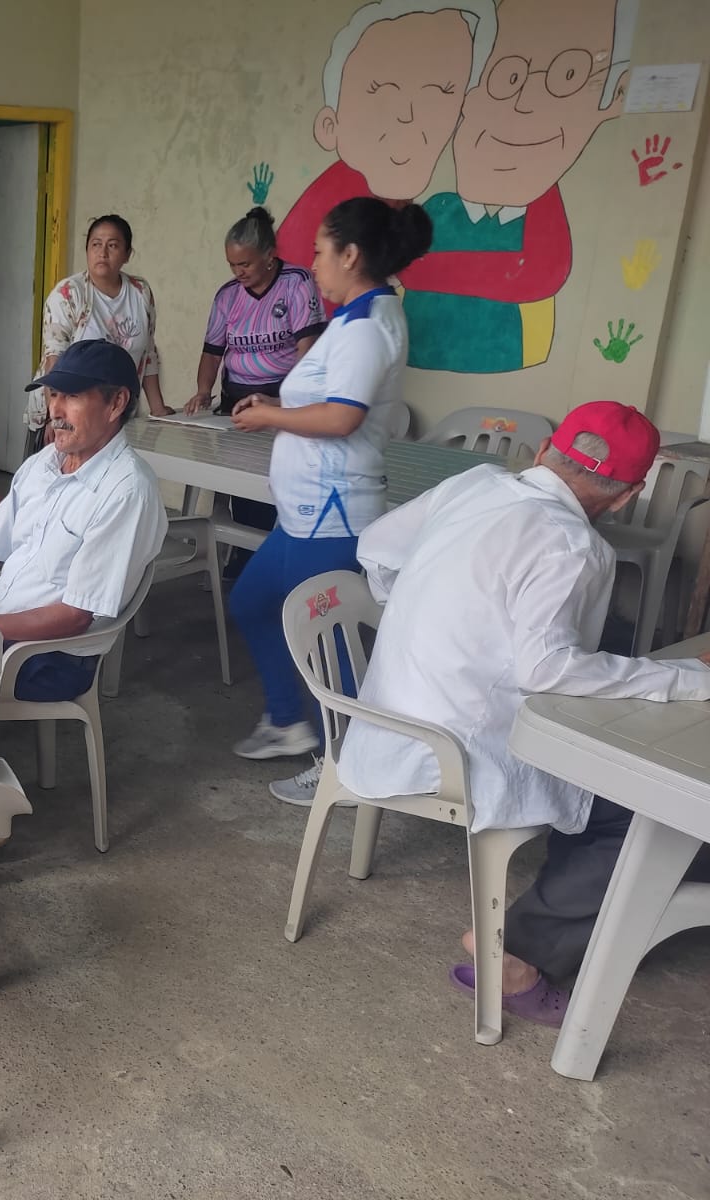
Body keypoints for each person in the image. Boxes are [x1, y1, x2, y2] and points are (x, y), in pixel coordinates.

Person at [336, 402, 710, 1022]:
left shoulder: (474, 483)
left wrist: (438, 618)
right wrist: (684, 680)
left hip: (388, 716)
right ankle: (516, 954)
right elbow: (547, 670)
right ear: (628, 496)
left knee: (619, 733)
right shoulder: (573, 545)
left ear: (543, 453)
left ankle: (590, 908)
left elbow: (375, 546)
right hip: (458, 747)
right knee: (653, 803)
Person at [227, 197, 432, 767]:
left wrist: (271, 416)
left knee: (326, 643)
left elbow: (343, 416)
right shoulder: (354, 316)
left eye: (320, 252)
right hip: (307, 513)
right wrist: (275, 402)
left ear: (350, 255)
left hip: (332, 513)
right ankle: (288, 723)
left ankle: (343, 765)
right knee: (252, 602)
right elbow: (328, 396)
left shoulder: (366, 326)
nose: (313, 264)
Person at [403, 0, 634, 372]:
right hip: (418, 361)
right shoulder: (440, 206)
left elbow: (540, 275)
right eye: (508, 78)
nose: (524, 104)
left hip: (511, 363)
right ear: (467, 96)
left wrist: (430, 269)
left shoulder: (543, 212)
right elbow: (406, 267)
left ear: (612, 101)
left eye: (568, 76)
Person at [0, 340, 167, 703]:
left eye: (72, 396)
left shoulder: (127, 491)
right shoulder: (44, 463)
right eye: (53, 395)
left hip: (50, 656)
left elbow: (74, 616)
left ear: (116, 403)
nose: (55, 410)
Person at [276, 0, 496, 275]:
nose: (408, 115)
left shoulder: (421, 208)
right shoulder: (344, 205)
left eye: (438, 93)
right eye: (381, 91)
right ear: (329, 125)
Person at [27, 214, 171, 454]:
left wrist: (158, 410)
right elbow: (55, 360)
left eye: (112, 245)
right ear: (87, 250)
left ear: (127, 254)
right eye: (96, 244)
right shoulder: (68, 294)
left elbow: (148, 354)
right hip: (67, 416)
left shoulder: (140, 292)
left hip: (114, 415)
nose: (102, 253)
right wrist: (56, 417)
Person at [185, 208, 326, 417]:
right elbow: (212, 354)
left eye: (245, 264)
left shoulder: (296, 282)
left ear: (269, 255)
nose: (238, 272)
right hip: (235, 396)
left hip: (283, 394)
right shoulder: (227, 295)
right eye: (232, 265)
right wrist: (203, 391)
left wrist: (290, 398)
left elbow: (307, 347)